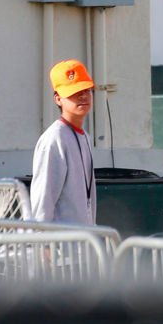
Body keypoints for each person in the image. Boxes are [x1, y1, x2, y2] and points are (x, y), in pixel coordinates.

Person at [31, 60, 97, 225]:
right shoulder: (53, 139)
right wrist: (43, 244)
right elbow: (43, 199)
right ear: (58, 99)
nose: (83, 96)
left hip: (82, 244)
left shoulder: (85, 138)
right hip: (59, 246)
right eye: (74, 92)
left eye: (86, 90)